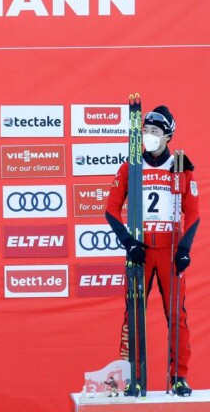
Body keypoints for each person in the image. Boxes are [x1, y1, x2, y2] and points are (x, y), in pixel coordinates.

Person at [105, 105, 199, 397]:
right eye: (145, 131)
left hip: (170, 248)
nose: (149, 136)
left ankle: (178, 377)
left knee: (177, 316)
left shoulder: (181, 165)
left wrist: (184, 248)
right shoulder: (131, 165)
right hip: (140, 249)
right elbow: (110, 209)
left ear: (168, 136)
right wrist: (127, 242)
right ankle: (134, 377)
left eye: (155, 132)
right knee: (133, 315)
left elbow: (193, 213)